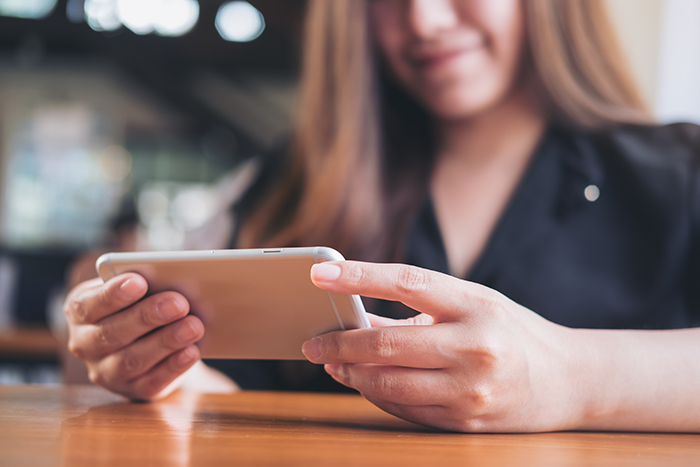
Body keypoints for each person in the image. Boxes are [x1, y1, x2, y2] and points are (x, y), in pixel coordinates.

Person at [62, 0, 700, 433]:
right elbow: (232, 397)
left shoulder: (679, 173)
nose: (422, 20)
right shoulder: (290, 185)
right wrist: (158, 371)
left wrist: (567, 377)